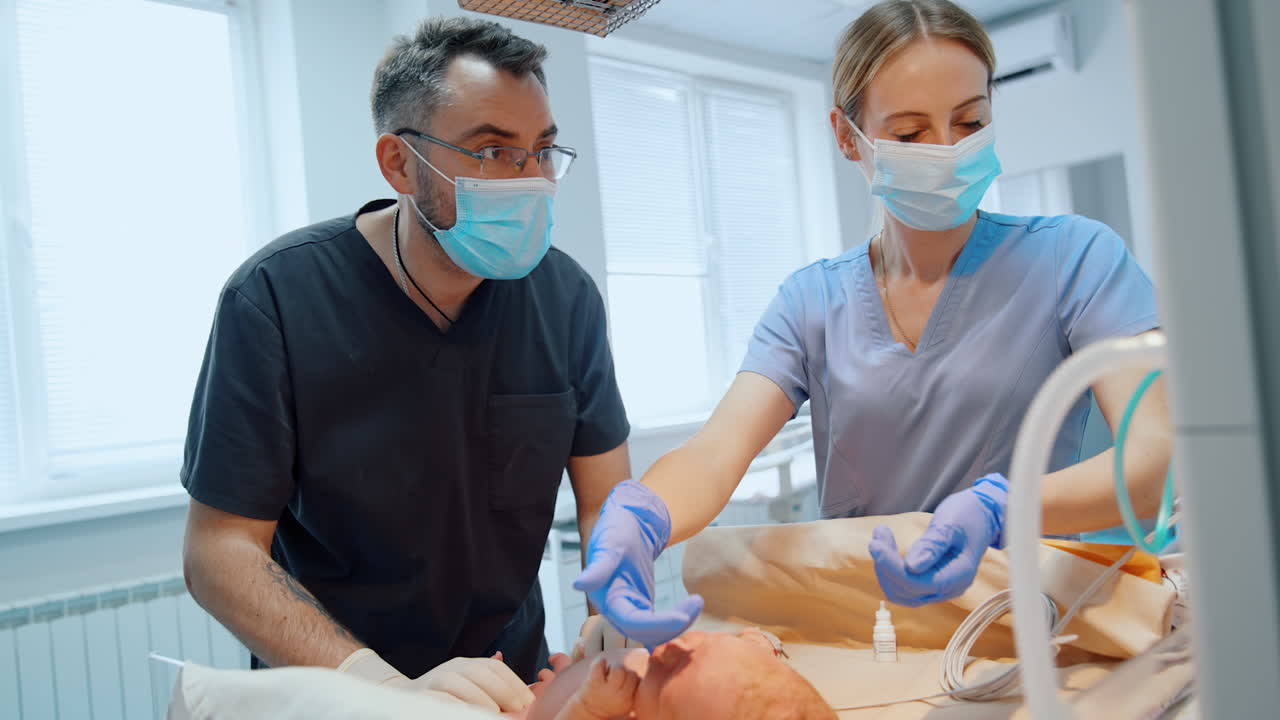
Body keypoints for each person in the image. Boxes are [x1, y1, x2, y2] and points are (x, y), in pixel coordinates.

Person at [574, 0, 1170, 646]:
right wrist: (646, 514)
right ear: (845, 135)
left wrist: (1006, 504)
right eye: (911, 135)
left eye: (969, 122)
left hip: (1027, 629)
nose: (946, 151)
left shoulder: (1075, 259)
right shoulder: (811, 303)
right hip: (864, 634)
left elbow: (1154, 460)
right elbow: (717, 457)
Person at [180, 16, 631, 714]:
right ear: (399, 163)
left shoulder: (565, 298)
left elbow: (606, 500)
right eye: (492, 151)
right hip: (338, 687)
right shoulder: (275, 299)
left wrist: (613, 608)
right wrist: (380, 687)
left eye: (542, 151)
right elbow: (220, 552)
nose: (532, 181)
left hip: (509, 688)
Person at [516, 629, 834, 720]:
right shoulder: (708, 687)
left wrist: (590, 708)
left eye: (670, 669)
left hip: (528, 707)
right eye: (706, 639)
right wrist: (752, 646)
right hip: (572, 670)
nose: (668, 645)